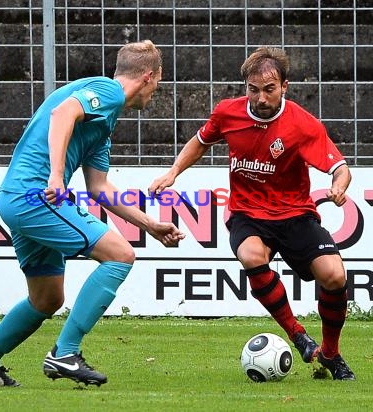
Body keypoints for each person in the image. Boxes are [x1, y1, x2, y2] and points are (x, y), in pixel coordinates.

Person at [0, 40, 185, 387]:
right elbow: (62, 113)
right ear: (148, 76)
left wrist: (151, 225)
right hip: (36, 196)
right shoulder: (108, 91)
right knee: (120, 255)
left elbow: (99, 188)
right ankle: (65, 353)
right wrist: (55, 174)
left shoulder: (104, 124)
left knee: (47, 298)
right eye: (158, 83)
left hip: (17, 198)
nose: (156, 92)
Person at [149, 46, 355, 380]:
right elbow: (200, 141)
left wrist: (339, 186)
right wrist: (173, 172)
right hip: (248, 212)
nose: (260, 98)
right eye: (253, 89)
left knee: (334, 275)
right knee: (250, 254)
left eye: (269, 89)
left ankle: (330, 353)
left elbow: (341, 167)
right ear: (245, 87)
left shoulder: (303, 125)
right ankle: (297, 334)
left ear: (285, 86)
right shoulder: (228, 113)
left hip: (294, 213)